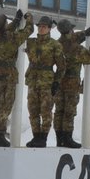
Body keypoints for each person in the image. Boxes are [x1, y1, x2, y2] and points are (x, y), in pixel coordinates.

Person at [0, 10, 31, 146]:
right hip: (6, 74)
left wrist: (16, 21)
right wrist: (29, 20)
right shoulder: (11, 38)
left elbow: (3, 30)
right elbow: (28, 31)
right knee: (4, 105)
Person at [24, 16, 63, 148]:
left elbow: (62, 66)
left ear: (49, 28)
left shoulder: (55, 45)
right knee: (33, 110)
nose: (41, 29)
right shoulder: (31, 42)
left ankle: (43, 138)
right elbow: (20, 36)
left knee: (46, 111)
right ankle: (36, 136)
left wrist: (56, 82)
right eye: (40, 26)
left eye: (44, 27)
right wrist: (27, 20)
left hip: (47, 82)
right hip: (33, 80)